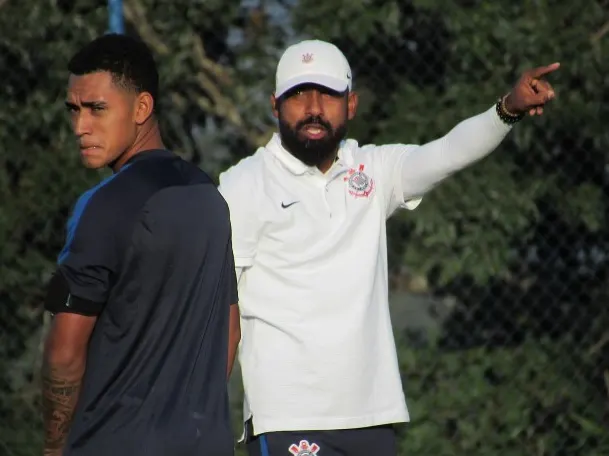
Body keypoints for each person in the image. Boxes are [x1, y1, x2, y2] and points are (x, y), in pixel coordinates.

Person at [218, 39, 558, 456]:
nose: (312, 107)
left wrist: (508, 108)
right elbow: (220, 311)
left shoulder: (373, 169)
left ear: (351, 104)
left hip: (373, 416)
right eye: (297, 94)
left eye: (326, 94)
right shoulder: (242, 185)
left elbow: (447, 153)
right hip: (288, 418)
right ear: (275, 105)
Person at [41, 34, 240, 456]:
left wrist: (55, 448)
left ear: (142, 108)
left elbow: (65, 350)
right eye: (73, 110)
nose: (80, 126)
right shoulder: (210, 197)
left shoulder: (103, 205)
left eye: (97, 108)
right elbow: (230, 331)